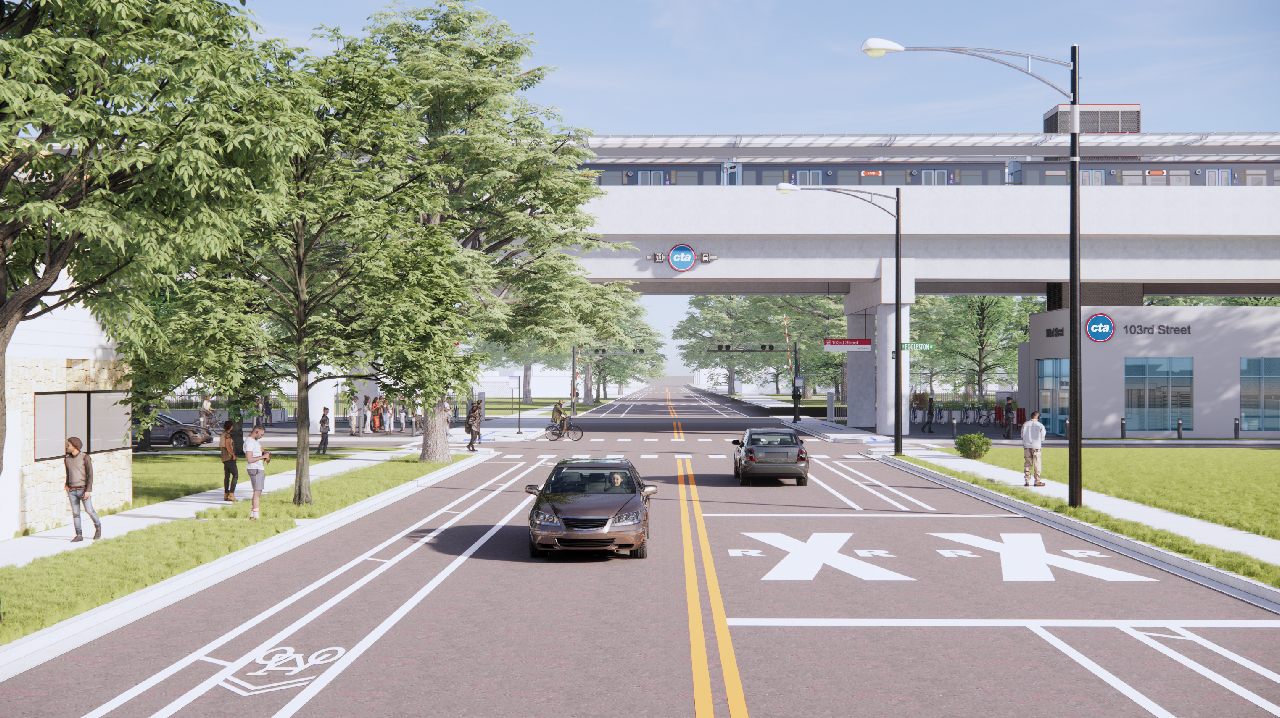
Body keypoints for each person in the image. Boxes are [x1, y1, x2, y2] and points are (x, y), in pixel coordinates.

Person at [64, 437, 100, 542]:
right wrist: (66, 484)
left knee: (89, 510)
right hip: (72, 491)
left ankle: (98, 527)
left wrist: (88, 490)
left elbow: (90, 475)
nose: (67, 446)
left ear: (75, 446)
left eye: (68, 445)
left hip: (83, 490)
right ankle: (79, 535)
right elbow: (68, 473)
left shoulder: (85, 457)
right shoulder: (67, 459)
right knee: (75, 513)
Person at [243, 425, 271, 520]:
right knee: (257, 492)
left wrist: (266, 454)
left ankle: (252, 515)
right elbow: (249, 459)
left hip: (258, 468)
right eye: (261, 434)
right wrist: (263, 457)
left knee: (257, 492)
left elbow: (262, 450)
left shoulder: (255, 442)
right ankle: (256, 516)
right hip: (255, 469)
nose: (261, 436)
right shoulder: (250, 442)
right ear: (256, 431)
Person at [1021, 410, 1047, 487]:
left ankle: (1027, 480)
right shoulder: (1040, 425)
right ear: (1037, 417)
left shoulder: (1025, 424)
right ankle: (1037, 480)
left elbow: (1022, 435)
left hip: (1027, 446)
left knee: (1027, 464)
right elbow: (1042, 437)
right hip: (1036, 447)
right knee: (1037, 464)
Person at [221, 420, 238, 502]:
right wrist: (233, 455)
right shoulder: (227, 436)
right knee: (235, 475)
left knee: (227, 477)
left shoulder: (222, 435)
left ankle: (226, 494)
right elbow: (228, 447)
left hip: (224, 458)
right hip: (229, 458)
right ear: (230, 427)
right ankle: (231, 494)